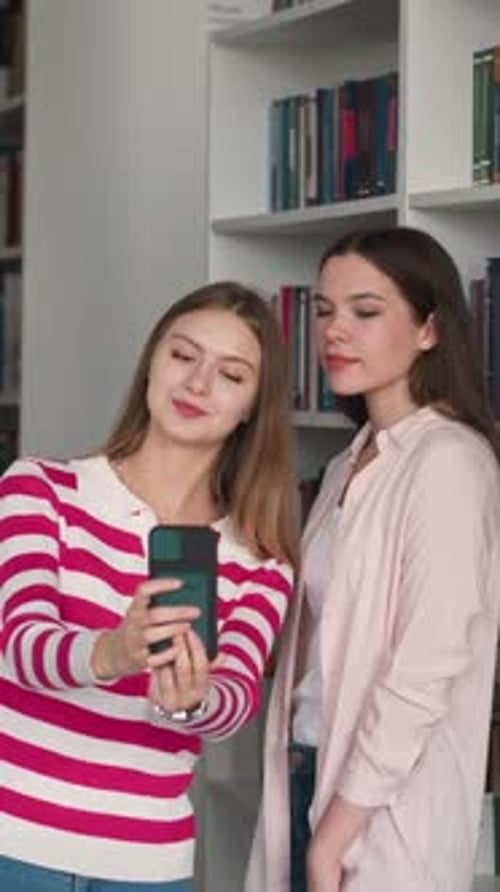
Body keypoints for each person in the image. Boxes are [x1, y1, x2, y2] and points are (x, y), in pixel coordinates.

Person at [0, 281, 298, 892]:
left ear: (252, 406)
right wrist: (115, 649)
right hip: (13, 840)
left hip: (145, 864)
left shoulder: (261, 562)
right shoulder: (39, 489)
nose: (198, 384)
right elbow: (21, 643)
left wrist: (190, 699)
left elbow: (234, 700)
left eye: (231, 375)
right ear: (151, 365)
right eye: (183, 355)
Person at [245, 226, 500, 892]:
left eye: (365, 311)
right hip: (305, 765)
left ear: (429, 328)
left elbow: (426, 663)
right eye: (325, 310)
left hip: (381, 809)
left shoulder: (449, 462)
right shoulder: (346, 463)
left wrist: (334, 835)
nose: (334, 331)